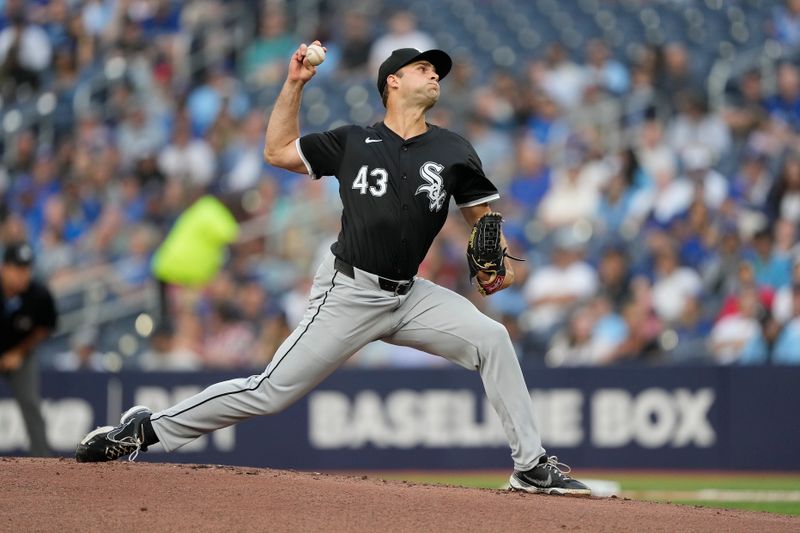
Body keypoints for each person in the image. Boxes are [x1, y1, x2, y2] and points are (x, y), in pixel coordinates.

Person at [75, 42, 590, 496]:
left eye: (438, 71)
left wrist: (493, 257)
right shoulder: (352, 141)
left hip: (410, 296)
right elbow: (276, 150)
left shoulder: (453, 148)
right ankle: (144, 431)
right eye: (423, 68)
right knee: (270, 391)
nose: (435, 75)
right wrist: (295, 82)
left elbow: (482, 215)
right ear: (393, 81)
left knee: (492, 339)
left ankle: (530, 467)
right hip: (349, 290)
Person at [0, 242, 57, 456]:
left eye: (27, 269)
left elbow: (46, 327)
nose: (24, 275)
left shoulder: (38, 295)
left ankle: (43, 460)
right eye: (18, 269)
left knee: (31, 403)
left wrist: (18, 352)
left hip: (21, 354)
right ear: (4, 268)